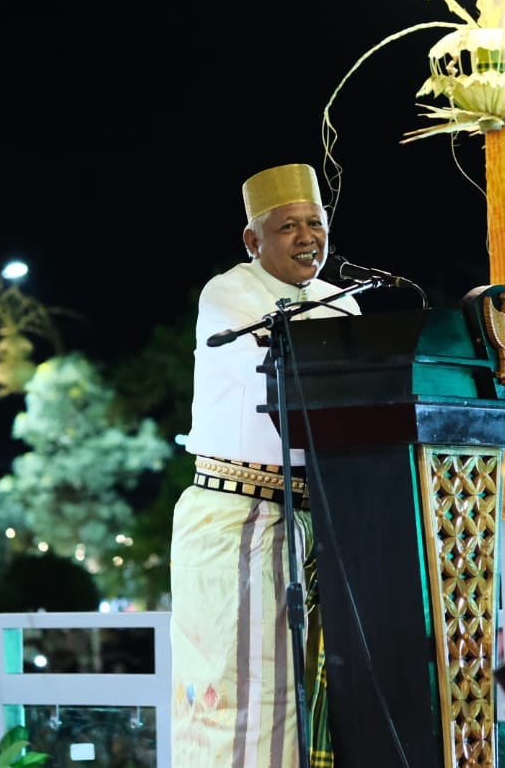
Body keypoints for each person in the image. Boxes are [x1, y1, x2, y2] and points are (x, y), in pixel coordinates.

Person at [170, 162, 361, 766]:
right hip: (238, 513)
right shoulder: (231, 292)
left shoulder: (343, 302)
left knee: (315, 692)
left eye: (315, 222)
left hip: (320, 517)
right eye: (288, 227)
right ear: (253, 241)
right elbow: (280, 363)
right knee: (241, 691)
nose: (308, 237)